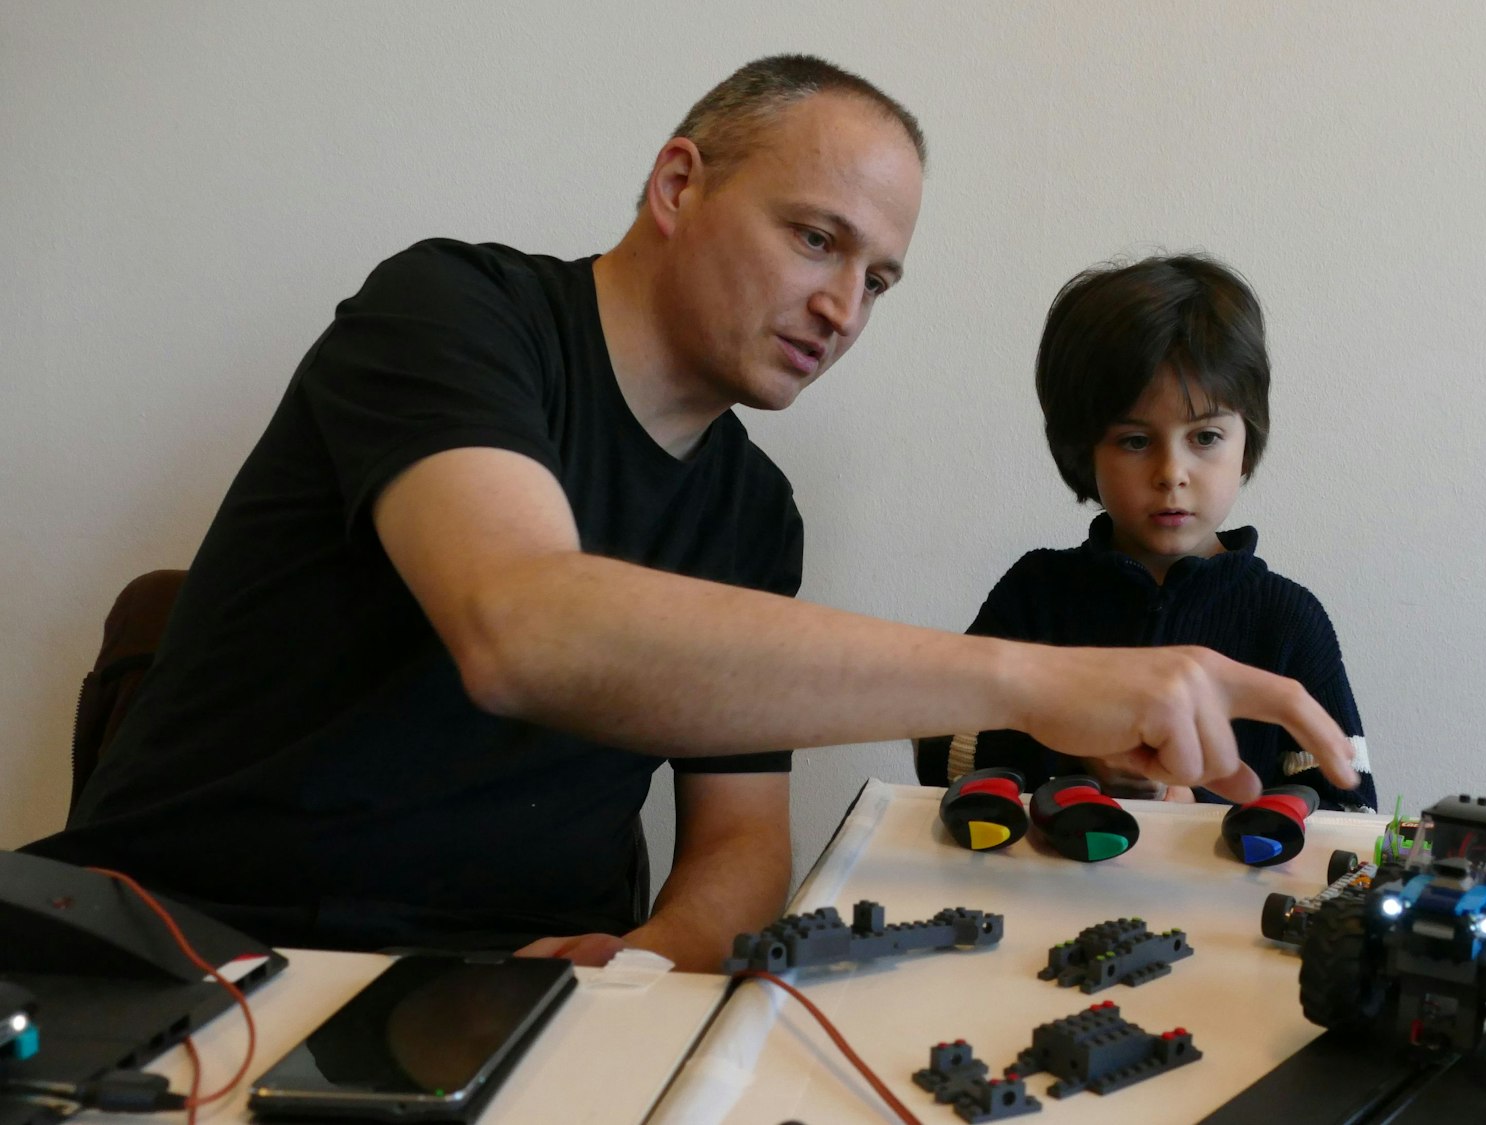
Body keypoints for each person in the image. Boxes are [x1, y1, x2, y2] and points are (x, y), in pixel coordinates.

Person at [27, 58, 1356, 972]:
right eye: (817, 239)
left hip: (508, 987)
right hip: (193, 946)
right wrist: (1034, 676)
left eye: (881, 279)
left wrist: (657, 955)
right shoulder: (450, 314)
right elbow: (523, 626)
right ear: (679, 186)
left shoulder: (750, 512)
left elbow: (734, 855)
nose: (846, 308)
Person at [915, 255, 1377, 810]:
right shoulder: (1037, 591)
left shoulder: (1287, 618)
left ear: (1247, 446)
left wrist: (1197, 805)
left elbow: (1353, 811)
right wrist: (1079, 754)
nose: (1171, 474)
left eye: (1205, 437)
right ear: (1082, 452)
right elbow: (939, 754)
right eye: (1134, 441)